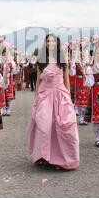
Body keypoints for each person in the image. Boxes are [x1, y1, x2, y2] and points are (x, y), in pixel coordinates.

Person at [28, 34, 79, 170]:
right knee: (44, 126)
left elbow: (66, 79)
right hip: (45, 95)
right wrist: (36, 97)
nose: (50, 43)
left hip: (60, 95)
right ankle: (43, 156)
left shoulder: (62, 60)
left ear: (57, 44)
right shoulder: (41, 60)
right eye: (48, 41)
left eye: (53, 41)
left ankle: (61, 158)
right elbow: (38, 80)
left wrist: (68, 96)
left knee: (63, 126)